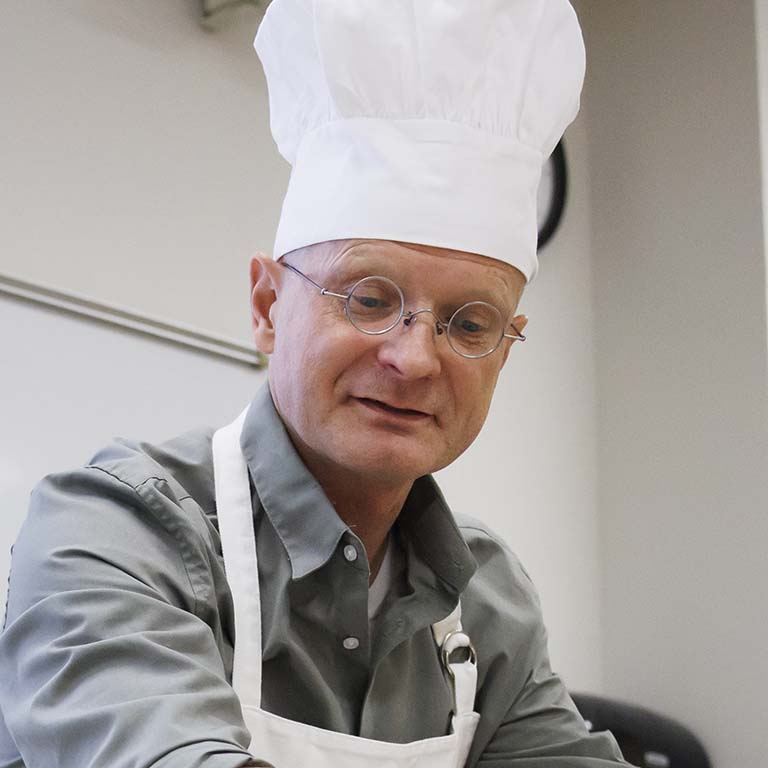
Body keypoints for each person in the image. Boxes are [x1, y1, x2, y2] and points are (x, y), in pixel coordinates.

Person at [0, 1, 633, 767]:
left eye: (469, 324)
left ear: (505, 350)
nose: (416, 359)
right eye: (369, 300)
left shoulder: (487, 599)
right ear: (268, 307)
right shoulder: (119, 533)